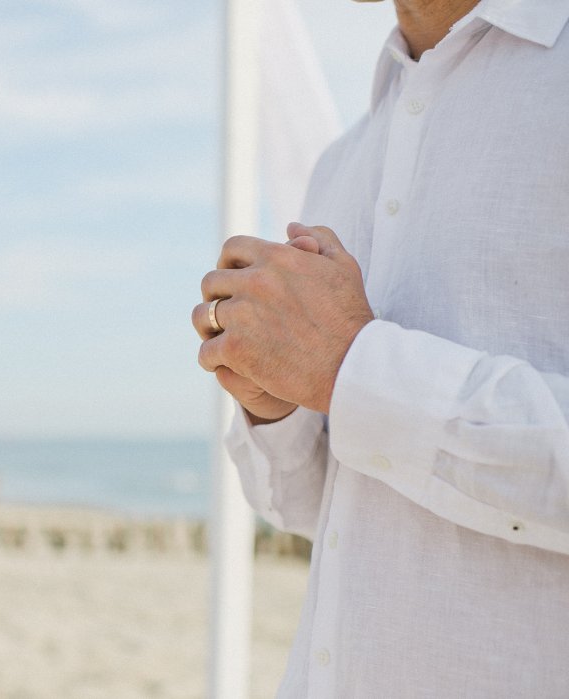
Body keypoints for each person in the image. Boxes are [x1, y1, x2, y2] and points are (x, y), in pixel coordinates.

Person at [193, 0, 569, 695]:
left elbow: (359, 380)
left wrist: (350, 367)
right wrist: (275, 403)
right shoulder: (345, 159)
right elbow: (320, 509)